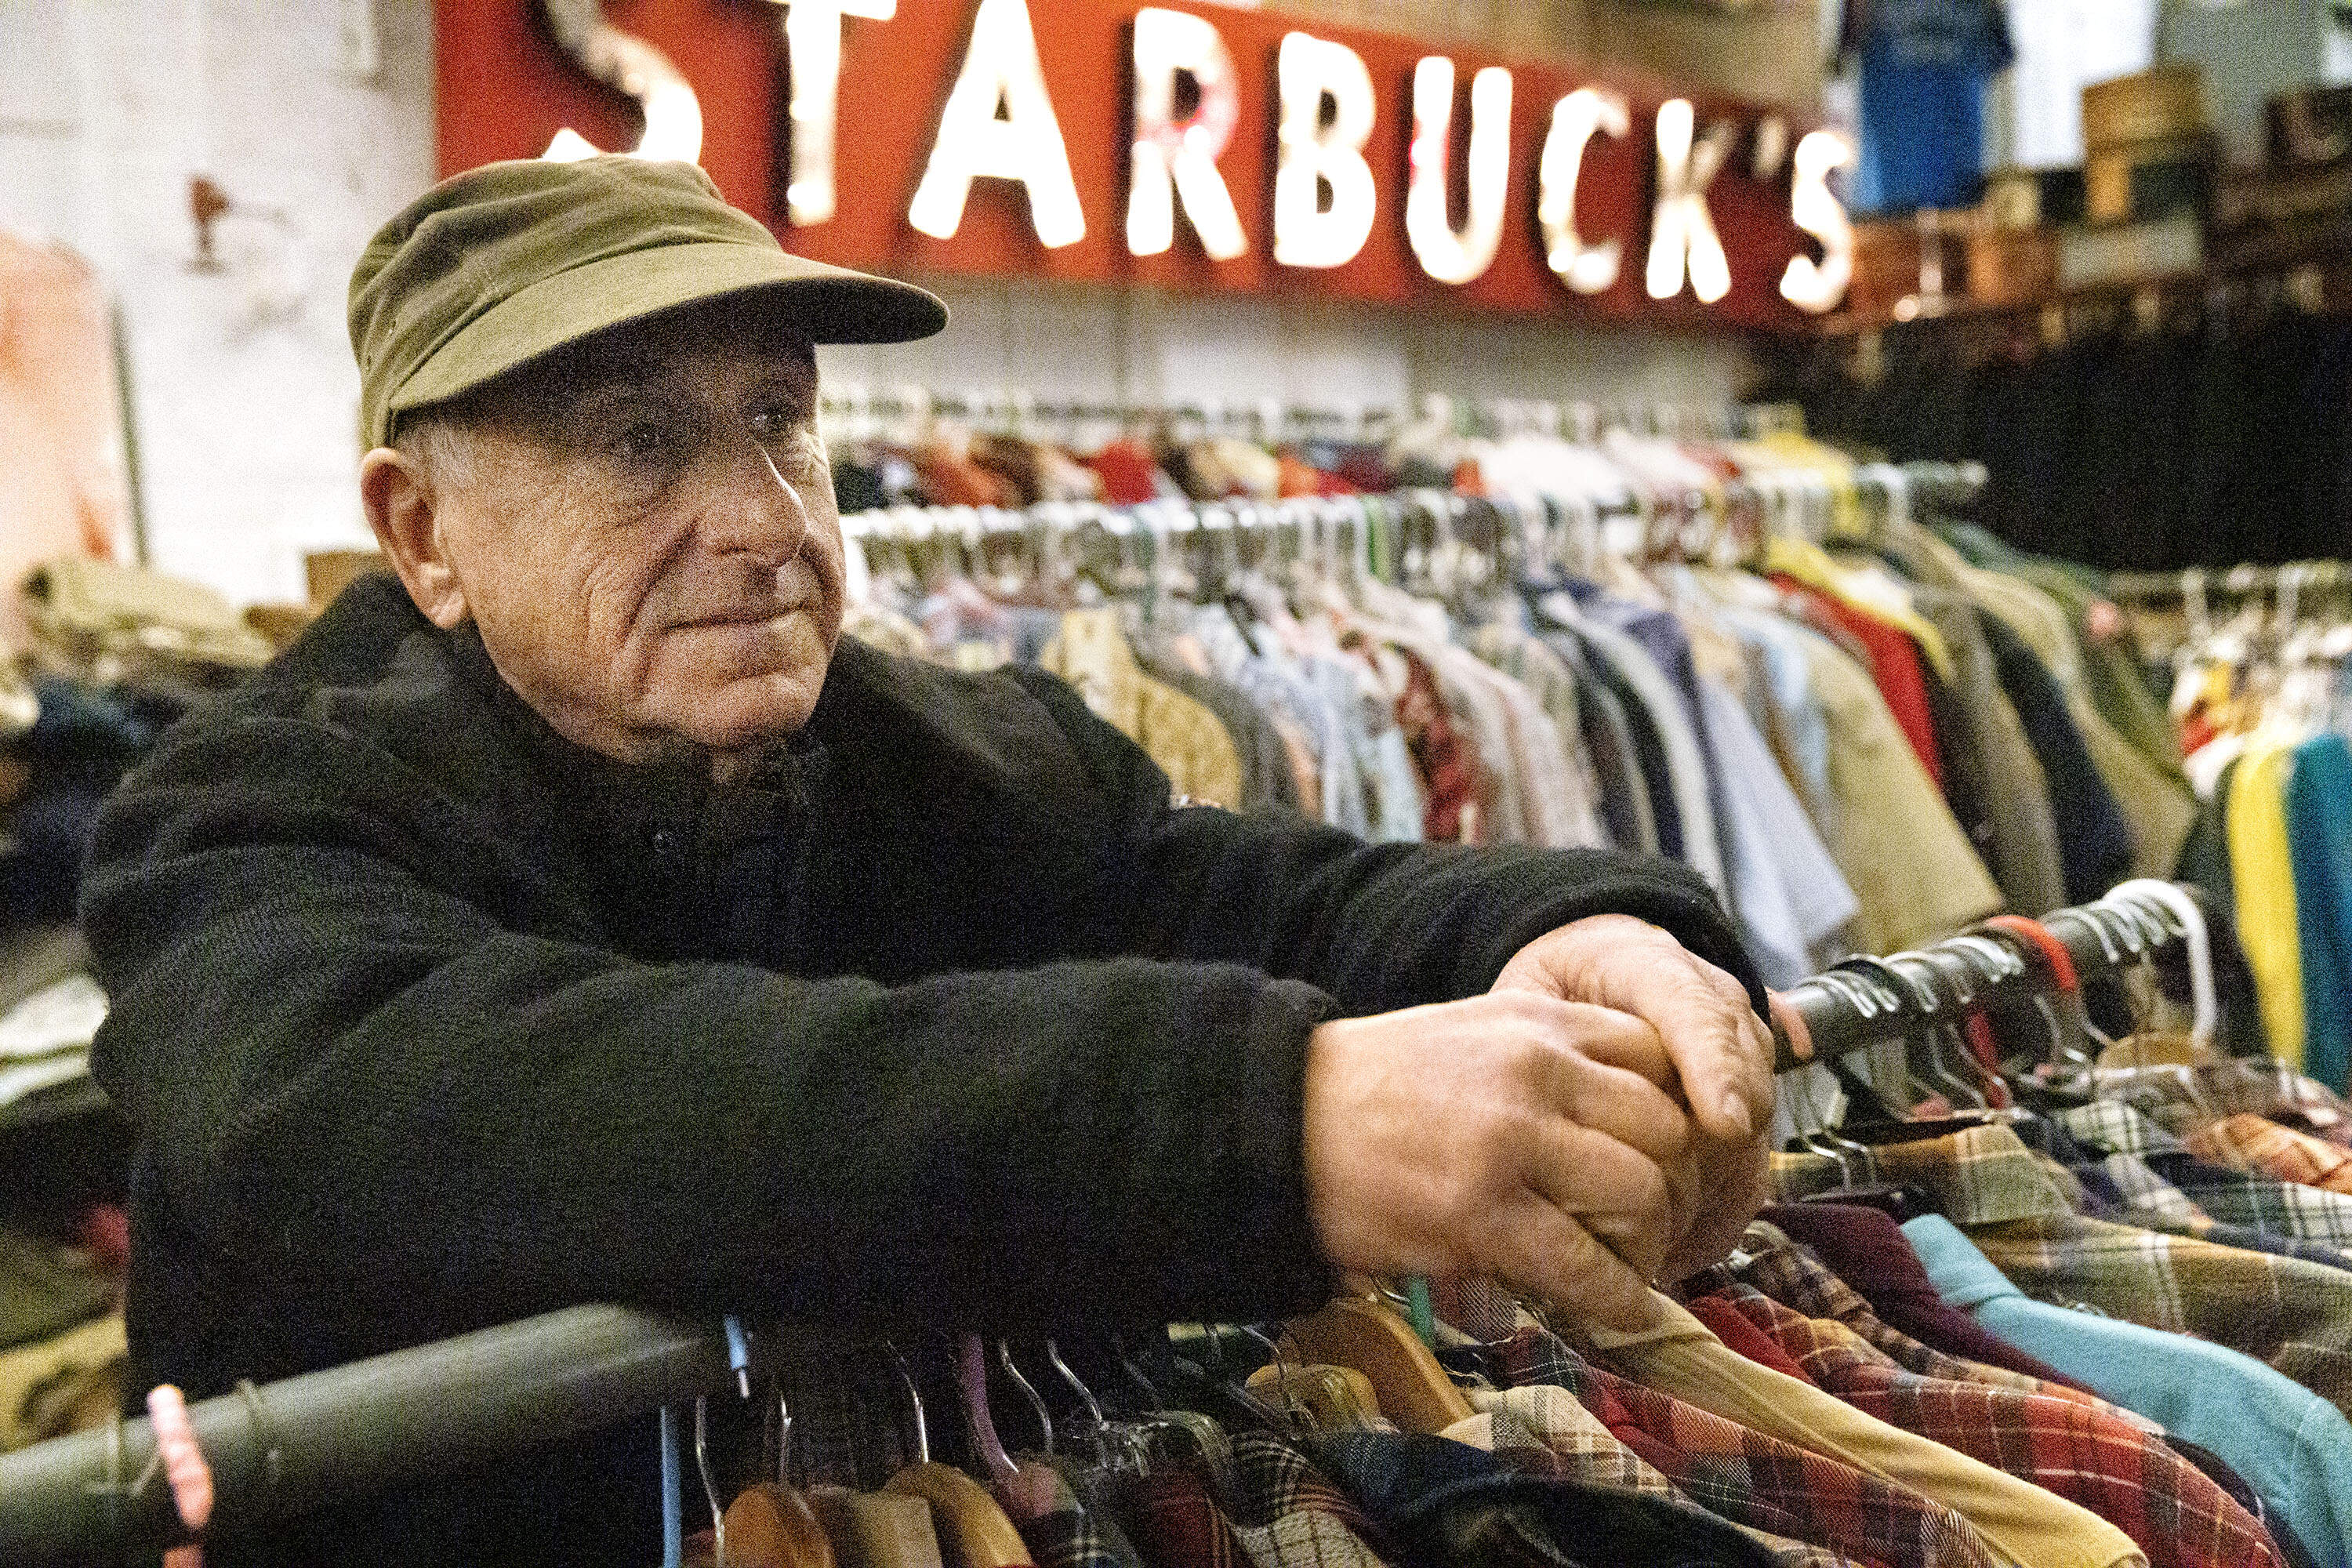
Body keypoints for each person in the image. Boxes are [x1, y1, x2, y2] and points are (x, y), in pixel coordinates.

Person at [78, 157, 1785, 1566]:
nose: (767, 519)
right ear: (422, 533)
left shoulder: (955, 752)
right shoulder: (243, 822)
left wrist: (1575, 927)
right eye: (640, 443)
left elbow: (1252, 889)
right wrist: (1262, 1117)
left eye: (781, 417)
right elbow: (485, 1094)